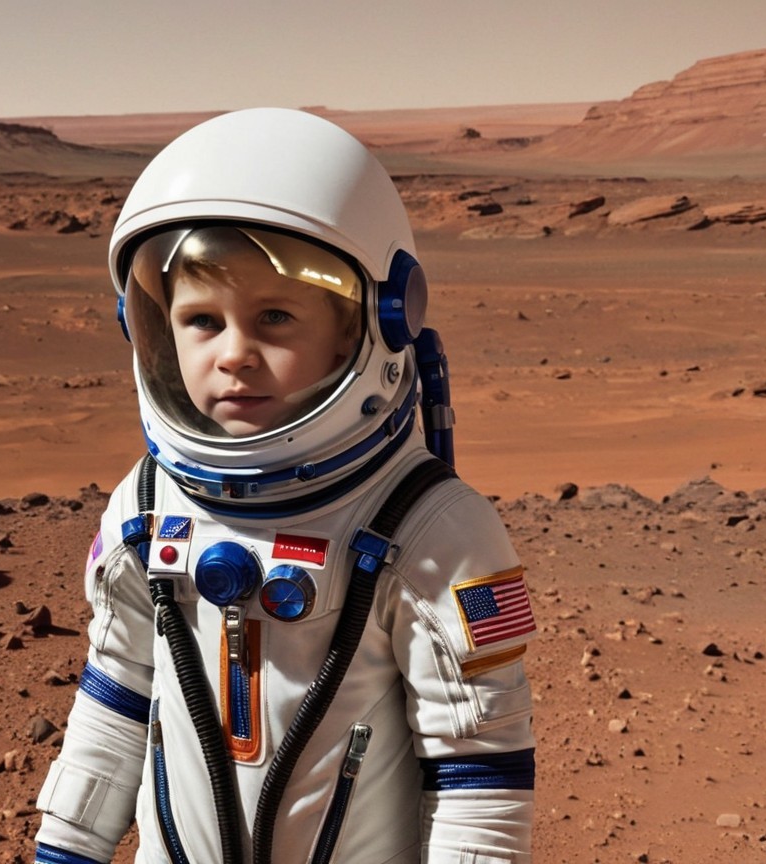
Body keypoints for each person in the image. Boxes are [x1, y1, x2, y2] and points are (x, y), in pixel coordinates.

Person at [33, 107, 537, 864]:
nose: (234, 354)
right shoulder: (145, 505)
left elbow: (477, 769)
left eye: (273, 316)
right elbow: (118, 700)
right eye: (202, 321)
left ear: (370, 323)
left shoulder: (433, 530)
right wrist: (65, 851)